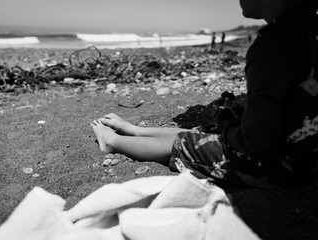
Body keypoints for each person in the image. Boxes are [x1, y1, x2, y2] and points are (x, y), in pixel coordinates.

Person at [91, 0, 318, 188]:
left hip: (289, 166)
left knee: (187, 143)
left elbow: (256, 145)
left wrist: (224, 119)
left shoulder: (273, 46)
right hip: (305, 149)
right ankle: (136, 131)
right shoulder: (307, 28)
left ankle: (112, 141)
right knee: (207, 131)